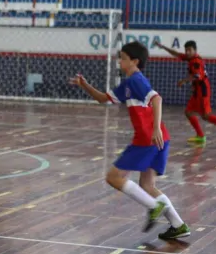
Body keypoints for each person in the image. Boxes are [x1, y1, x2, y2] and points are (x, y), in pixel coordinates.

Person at [69, 41, 190, 240]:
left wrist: (155, 127)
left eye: (123, 58)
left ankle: (153, 206)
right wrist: (85, 85)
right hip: (160, 139)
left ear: (135, 61)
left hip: (147, 139)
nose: (120, 61)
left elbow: (157, 99)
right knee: (148, 185)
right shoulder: (127, 84)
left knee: (113, 177)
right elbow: (103, 99)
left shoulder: (136, 80)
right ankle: (178, 224)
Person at [155, 40, 216, 143]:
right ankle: (200, 136)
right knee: (188, 112)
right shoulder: (191, 58)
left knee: (206, 116)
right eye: (186, 50)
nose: (187, 52)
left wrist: (183, 81)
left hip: (202, 90)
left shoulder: (196, 61)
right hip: (197, 90)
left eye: (189, 50)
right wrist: (163, 47)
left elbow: (197, 76)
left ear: (195, 50)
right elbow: (177, 54)